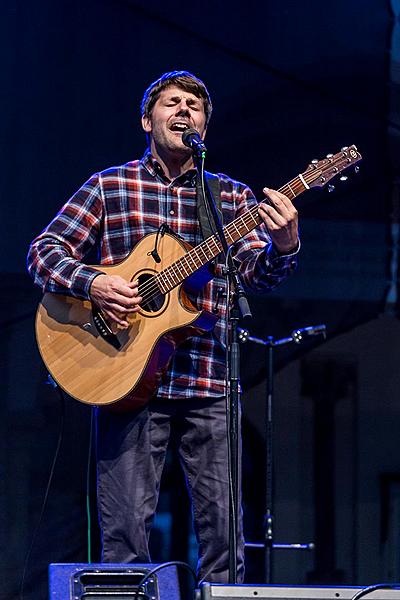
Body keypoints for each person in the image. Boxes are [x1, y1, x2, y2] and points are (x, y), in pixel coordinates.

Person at [27, 70, 299, 583]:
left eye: (194, 107)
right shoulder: (110, 186)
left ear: (204, 127)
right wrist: (93, 285)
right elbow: (43, 253)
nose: (183, 112)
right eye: (171, 102)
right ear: (146, 120)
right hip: (122, 376)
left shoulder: (231, 199)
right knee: (124, 532)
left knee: (224, 532)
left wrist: (284, 245)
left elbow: (257, 277)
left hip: (209, 378)